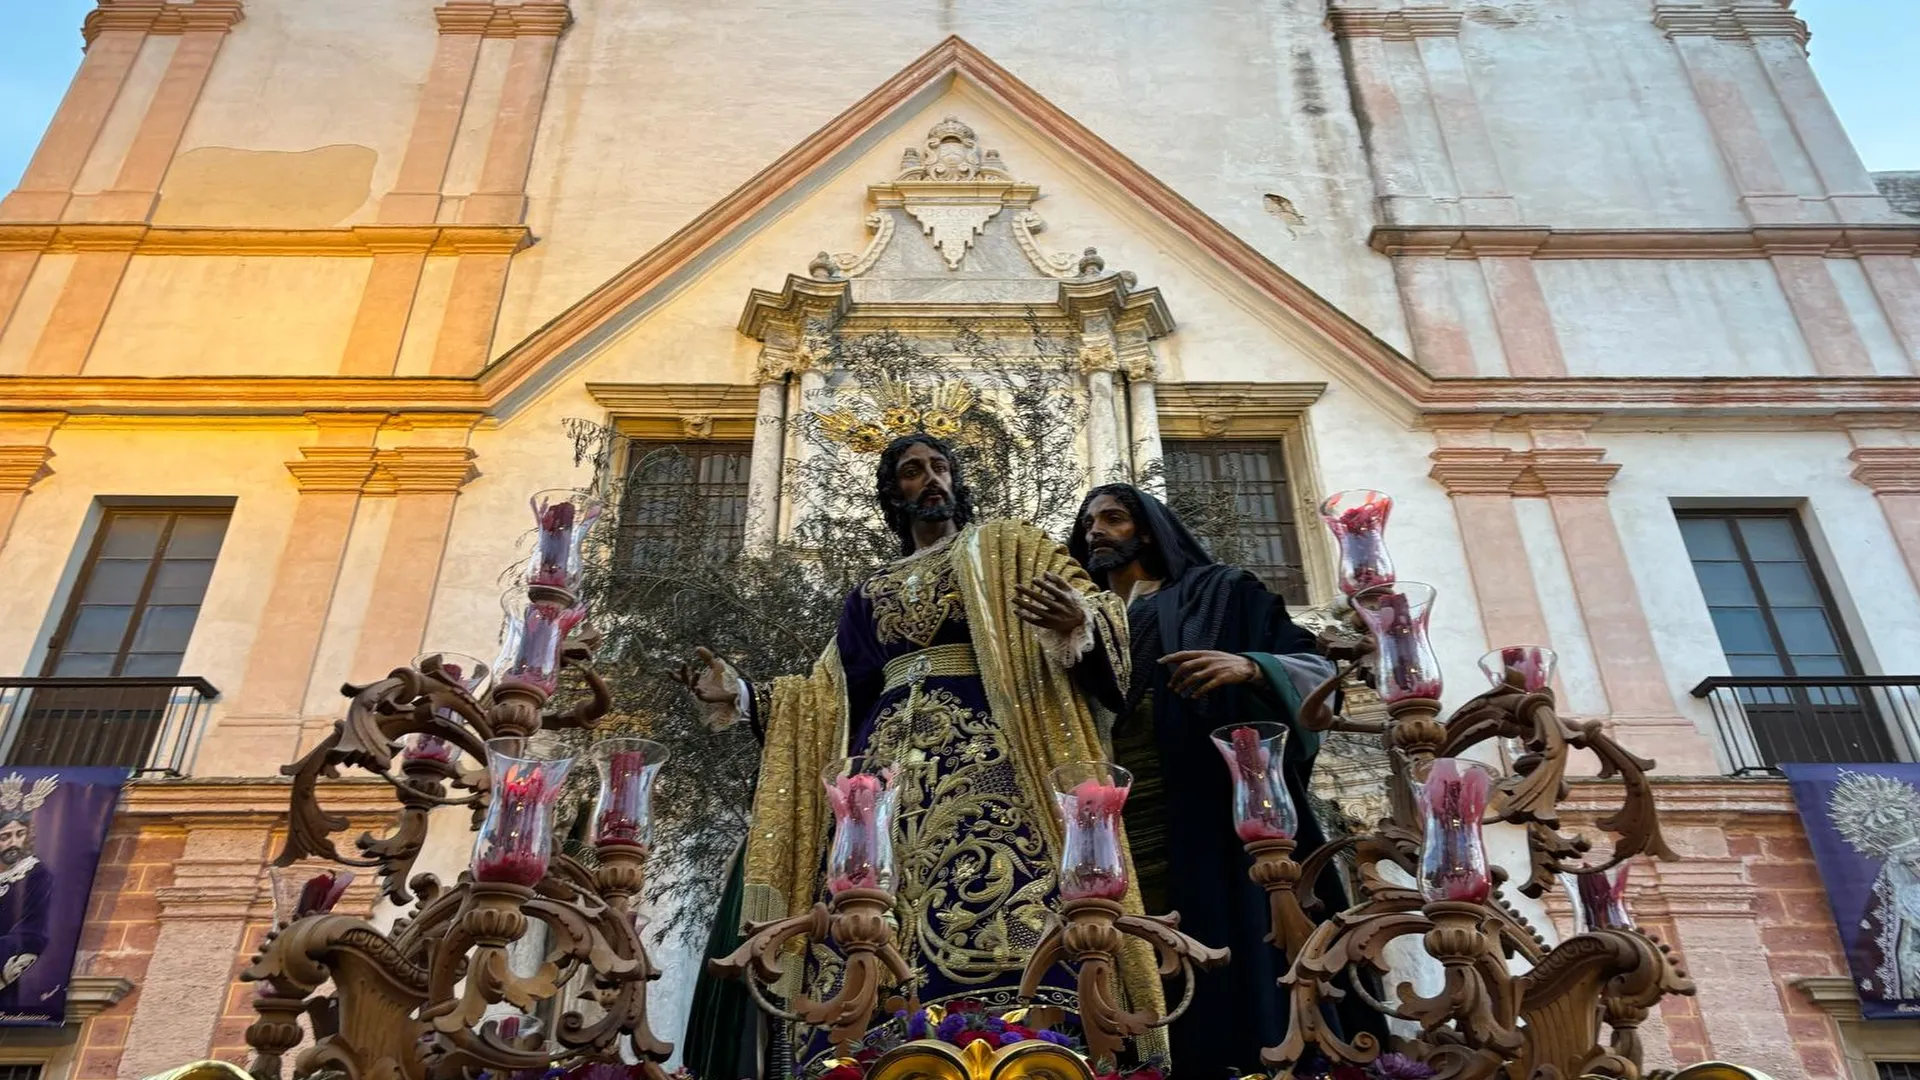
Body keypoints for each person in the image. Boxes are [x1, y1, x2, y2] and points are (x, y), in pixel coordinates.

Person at [679, 435, 1161, 1076]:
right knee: (871, 912)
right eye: (912, 471)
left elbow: (1095, 605)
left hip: (994, 761)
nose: (930, 479)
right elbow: (831, 692)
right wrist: (741, 694)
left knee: (1002, 891)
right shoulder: (869, 592)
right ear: (893, 493)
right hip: (882, 786)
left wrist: (1077, 621)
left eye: (940, 467)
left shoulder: (1008, 546)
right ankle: (871, 1043)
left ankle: (1028, 1039)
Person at [1067, 483, 1347, 1078]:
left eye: (1113, 518)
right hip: (1109, 824)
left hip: (1207, 808)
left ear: (1147, 532)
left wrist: (1250, 666)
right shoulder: (1080, 626)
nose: (1095, 530)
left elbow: (1319, 673)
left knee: (1227, 950)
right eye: (1089, 522)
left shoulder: (1219, 590)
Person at [0, 807, 52, 1012]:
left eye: (20, 834)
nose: (14, 843)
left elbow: (32, 929)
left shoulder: (35, 874)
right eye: (5, 836)